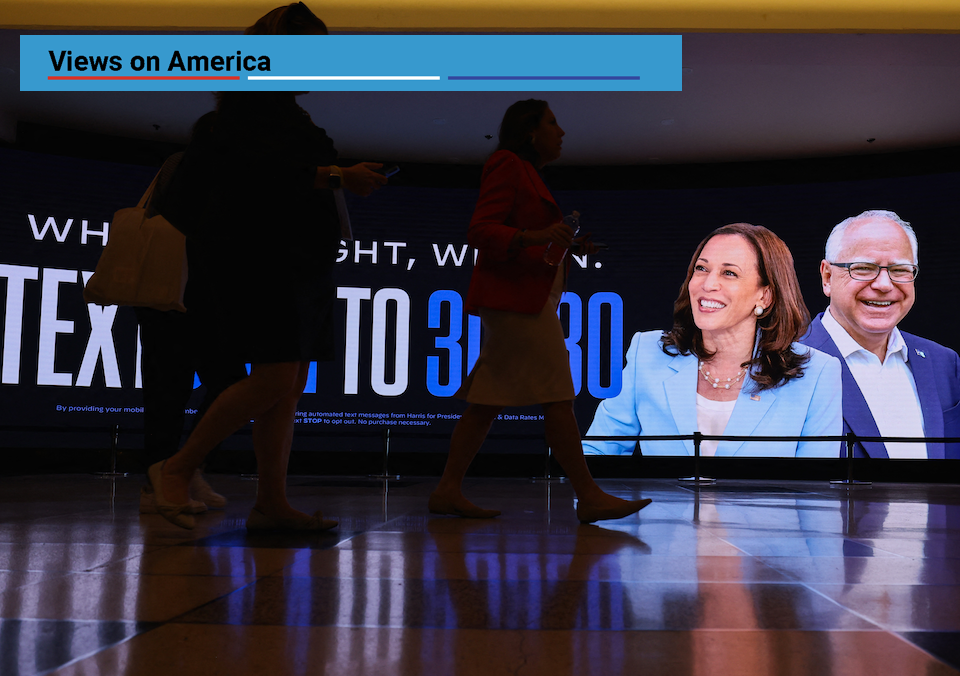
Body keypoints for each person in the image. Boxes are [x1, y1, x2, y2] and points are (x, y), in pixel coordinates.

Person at [148, 2, 388, 530]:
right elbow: (260, 177)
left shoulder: (276, 112)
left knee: (288, 381)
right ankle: (179, 466)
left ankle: (271, 501)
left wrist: (335, 177)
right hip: (267, 258)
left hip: (300, 259)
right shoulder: (244, 116)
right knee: (278, 372)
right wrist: (337, 176)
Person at [428, 99, 651, 523]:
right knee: (557, 396)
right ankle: (587, 494)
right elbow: (481, 231)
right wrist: (538, 235)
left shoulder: (525, 171)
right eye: (553, 123)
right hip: (519, 303)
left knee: (486, 402)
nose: (561, 132)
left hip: (521, 300)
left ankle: (447, 489)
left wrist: (561, 243)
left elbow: (520, 236)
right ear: (530, 131)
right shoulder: (508, 163)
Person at [584, 223, 842, 458]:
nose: (708, 284)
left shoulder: (817, 375)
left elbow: (819, 489)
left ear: (764, 296)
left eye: (729, 273)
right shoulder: (647, 354)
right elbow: (596, 455)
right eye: (701, 268)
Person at [799, 210, 960, 459]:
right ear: (827, 277)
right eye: (863, 268)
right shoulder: (786, 364)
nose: (884, 285)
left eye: (900, 270)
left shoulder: (944, 364)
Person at [135, 113, 247, 516]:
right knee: (177, 386)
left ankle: (179, 468)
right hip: (178, 287)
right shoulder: (195, 167)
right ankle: (167, 473)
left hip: (184, 289)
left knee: (207, 384)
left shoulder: (188, 165)